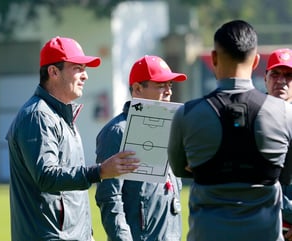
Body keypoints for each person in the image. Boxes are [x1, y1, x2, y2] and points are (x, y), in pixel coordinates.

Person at [167, 20, 292, 241]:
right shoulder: (285, 114)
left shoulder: (187, 114)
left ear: (214, 58)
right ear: (256, 62)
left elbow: (179, 168)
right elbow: (286, 174)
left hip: (207, 234)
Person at [6, 36, 140, 241]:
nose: (85, 76)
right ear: (53, 72)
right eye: (78, 68)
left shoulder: (59, 116)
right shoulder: (38, 116)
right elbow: (46, 175)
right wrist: (101, 171)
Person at [95, 55, 186, 241]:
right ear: (137, 88)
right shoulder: (117, 132)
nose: (169, 91)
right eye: (161, 85)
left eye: (170, 85)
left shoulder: (169, 126)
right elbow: (109, 197)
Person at [263, 48, 292, 239]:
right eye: (275, 74)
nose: (281, 80)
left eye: (288, 75)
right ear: (265, 77)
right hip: (260, 223)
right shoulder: (251, 119)